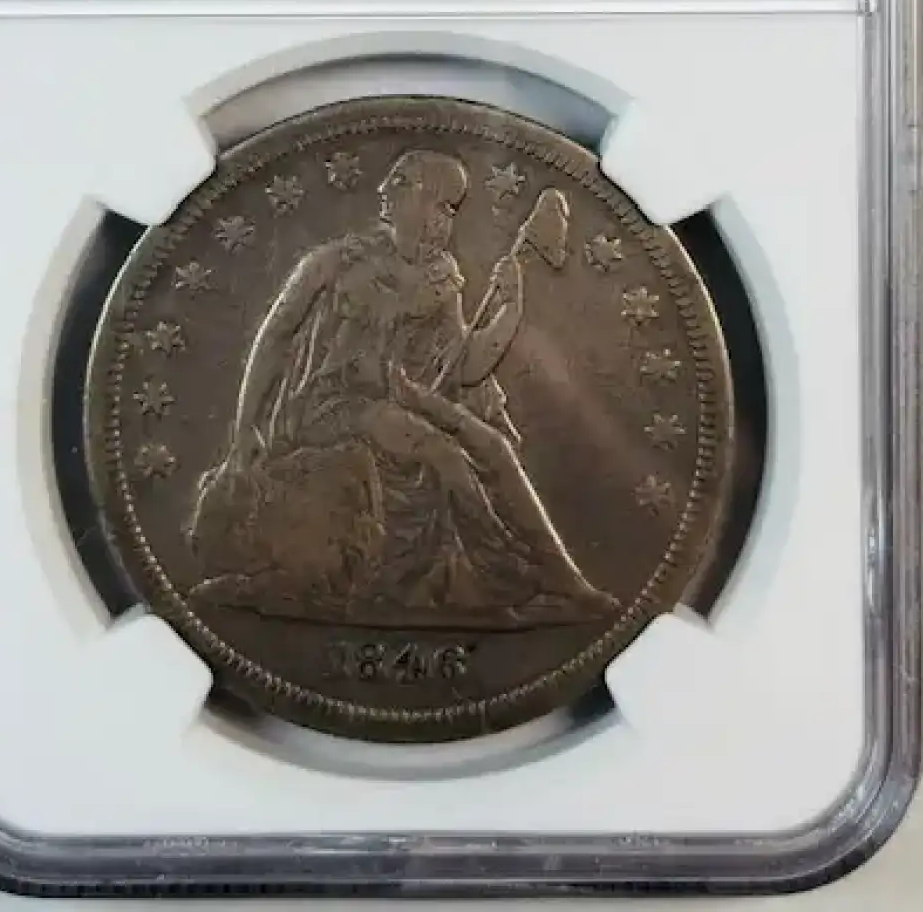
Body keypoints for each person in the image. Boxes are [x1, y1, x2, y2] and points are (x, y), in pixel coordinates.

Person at [185, 149, 618, 625]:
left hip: (400, 404)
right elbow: (274, 337)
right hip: (329, 408)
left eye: (451, 210)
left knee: (494, 449)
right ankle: (505, 583)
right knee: (443, 453)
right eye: (441, 204)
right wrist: (246, 427)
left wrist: (509, 310)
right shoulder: (333, 263)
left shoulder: (441, 277)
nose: (444, 222)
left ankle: (566, 584)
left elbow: (463, 366)